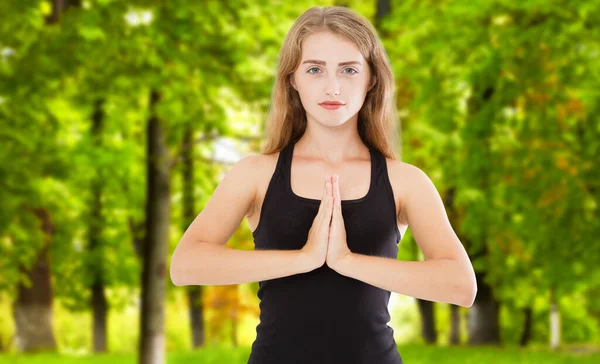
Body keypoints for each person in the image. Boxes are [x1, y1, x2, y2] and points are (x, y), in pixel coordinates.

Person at [170, 5, 477, 364]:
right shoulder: (255, 174)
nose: (333, 86)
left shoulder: (405, 181)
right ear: (292, 80)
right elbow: (185, 265)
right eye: (315, 69)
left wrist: (345, 260)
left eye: (349, 70)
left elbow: (461, 285)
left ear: (371, 79)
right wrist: (304, 259)